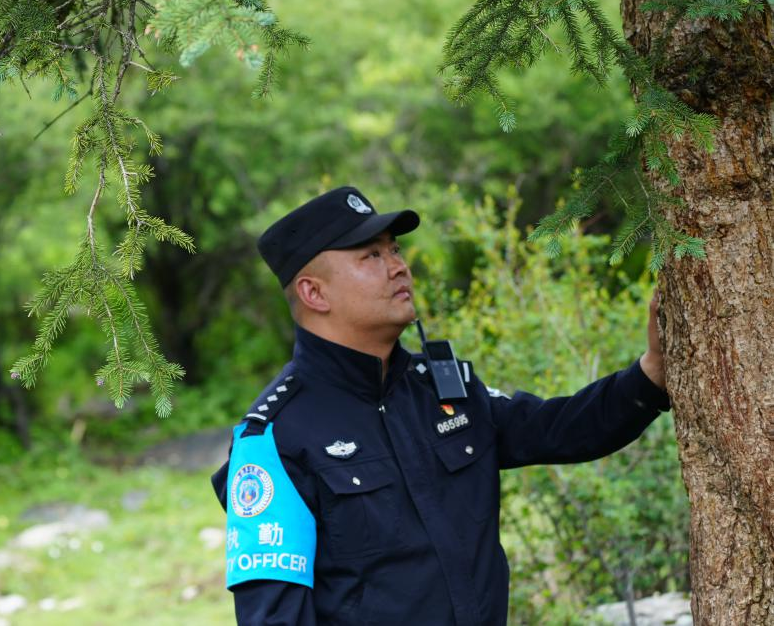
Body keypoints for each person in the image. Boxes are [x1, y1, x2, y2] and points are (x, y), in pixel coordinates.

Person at [211, 186, 670, 625]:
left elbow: (560, 430)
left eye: (395, 250)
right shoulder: (272, 440)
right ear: (314, 293)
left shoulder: (440, 390)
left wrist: (650, 375)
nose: (398, 267)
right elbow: (274, 617)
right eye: (371, 256)